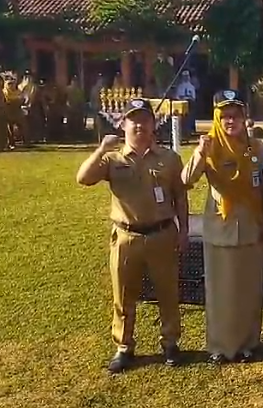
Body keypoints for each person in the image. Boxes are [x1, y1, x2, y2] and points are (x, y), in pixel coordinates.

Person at [75, 98, 188, 374]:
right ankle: (124, 346)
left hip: (162, 232)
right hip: (126, 237)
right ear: (123, 124)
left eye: (145, 119)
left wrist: (184, 230)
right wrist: (101, 148)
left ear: (153, 124)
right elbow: (83, 178)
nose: (139, 125)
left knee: (168, 292)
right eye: (133, 119)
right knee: (123, 295)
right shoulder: (112, 158)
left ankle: (170, 343)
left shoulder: (169, 158)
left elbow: (180, 197)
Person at [182, 89, 263, 364]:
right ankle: (221, 346)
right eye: (224, 116)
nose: (230, 121)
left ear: (244, 117)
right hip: (220, 230)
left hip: (252, 228)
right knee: (220, 292)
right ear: (216, 118)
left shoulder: (256, 148)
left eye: (235, 115)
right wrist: (200, 154)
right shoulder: (210, 146)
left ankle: (248, 343)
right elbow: (186, 180)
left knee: (249, 290)